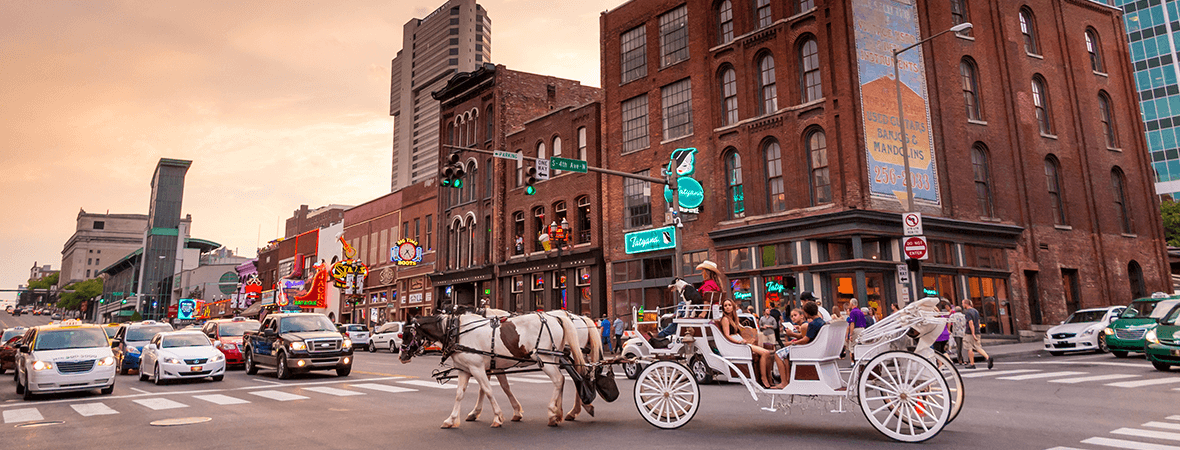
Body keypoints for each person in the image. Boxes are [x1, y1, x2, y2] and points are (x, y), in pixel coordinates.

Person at [719, 298, 788, 389]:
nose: (727, 307)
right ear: (723, 308)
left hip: (740, 340)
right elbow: (727, 335)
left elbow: (743, 329)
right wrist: (739, 341)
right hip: (736, 343)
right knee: (765, 353)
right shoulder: (725, 319)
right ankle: (764, 379)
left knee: (768, 353)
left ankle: (768, 378)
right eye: (725, 306)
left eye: (729, 305)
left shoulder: (734, 318)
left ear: (733, 306)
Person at [776, 301, 826, 382]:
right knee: (786, 354)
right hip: (817, 348)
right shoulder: (821, 321)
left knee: (778, 354)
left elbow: (805, 339)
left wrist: (793, 343)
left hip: (810, 350)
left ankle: (784, 382)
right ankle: (787, 378)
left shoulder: (812, 324)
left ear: (806, 313)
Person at [961, 299, 993, 369]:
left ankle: (972, 364)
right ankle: (988, 357)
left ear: (966, 304)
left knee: (969, 347)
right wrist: (977, 330)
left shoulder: (967, 312)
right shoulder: (975, 311)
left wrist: (973, 333)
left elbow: (970, 323)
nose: (962, 305)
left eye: (963, 303)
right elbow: (978, 321)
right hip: (977, 331)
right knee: (977, 346)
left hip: (969, 333)